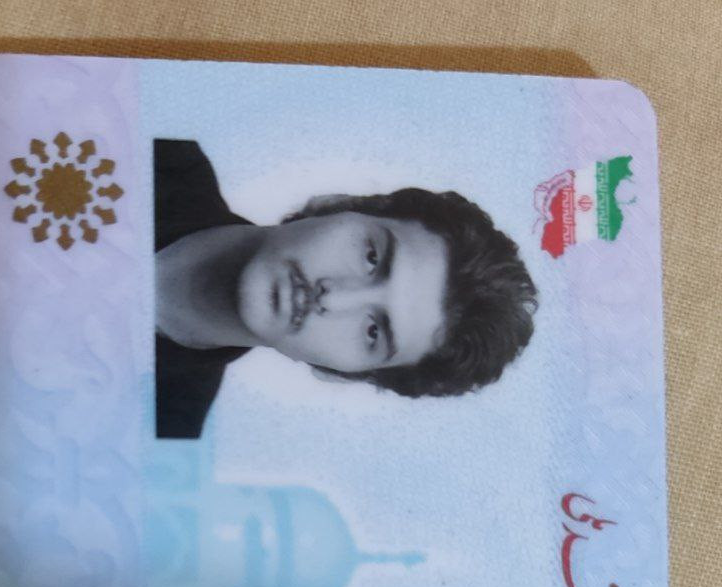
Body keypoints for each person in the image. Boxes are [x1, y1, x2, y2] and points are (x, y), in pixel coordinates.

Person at [154, 138, 538, 440]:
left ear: (341, 375)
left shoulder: (164, 428)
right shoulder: (159, 148)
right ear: (336, 204)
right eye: (371, 257)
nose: (334, 297)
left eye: (373, 332)